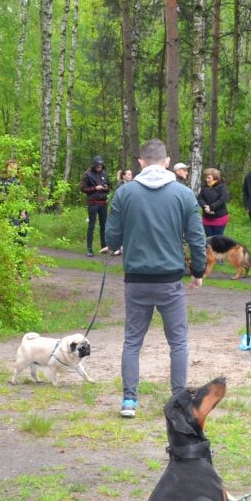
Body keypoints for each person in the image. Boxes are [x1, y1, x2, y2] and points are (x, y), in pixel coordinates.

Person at [102, 139, 206, 419]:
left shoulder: (125, 193)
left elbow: (111, 237)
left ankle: (129, 401)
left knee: (132, 341)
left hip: (136, 279)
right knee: (178, 342)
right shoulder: (183, 195)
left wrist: (119, 243)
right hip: (170, 280)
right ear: (168, 161)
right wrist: (197, 271)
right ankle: (179, 401)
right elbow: (197, 238)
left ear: (140, 162)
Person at [80, 156, 110, 257]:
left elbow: (109, 187)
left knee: (104, 226)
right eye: (97, 166)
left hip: (103, 202)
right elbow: (83, 188)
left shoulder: (104, 174)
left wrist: (106, 187)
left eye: (101, 166)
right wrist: (95, 188)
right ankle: (89, 249)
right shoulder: (87, 175)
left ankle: (104, 247)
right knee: (91, 226)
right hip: (93, 202)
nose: (99, 168)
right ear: (94, 165)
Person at [199, 168, 230, 237]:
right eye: (206, 177)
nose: (207, 179)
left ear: (215, 177)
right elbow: (200, 198)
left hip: (219, 217)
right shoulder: (204, 186)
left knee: (217, 239)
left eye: (209, 178)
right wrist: (205, 207)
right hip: (207, 217)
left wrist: (211, 207)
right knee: (209, 238)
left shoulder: (221, 186)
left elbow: (223, 199)